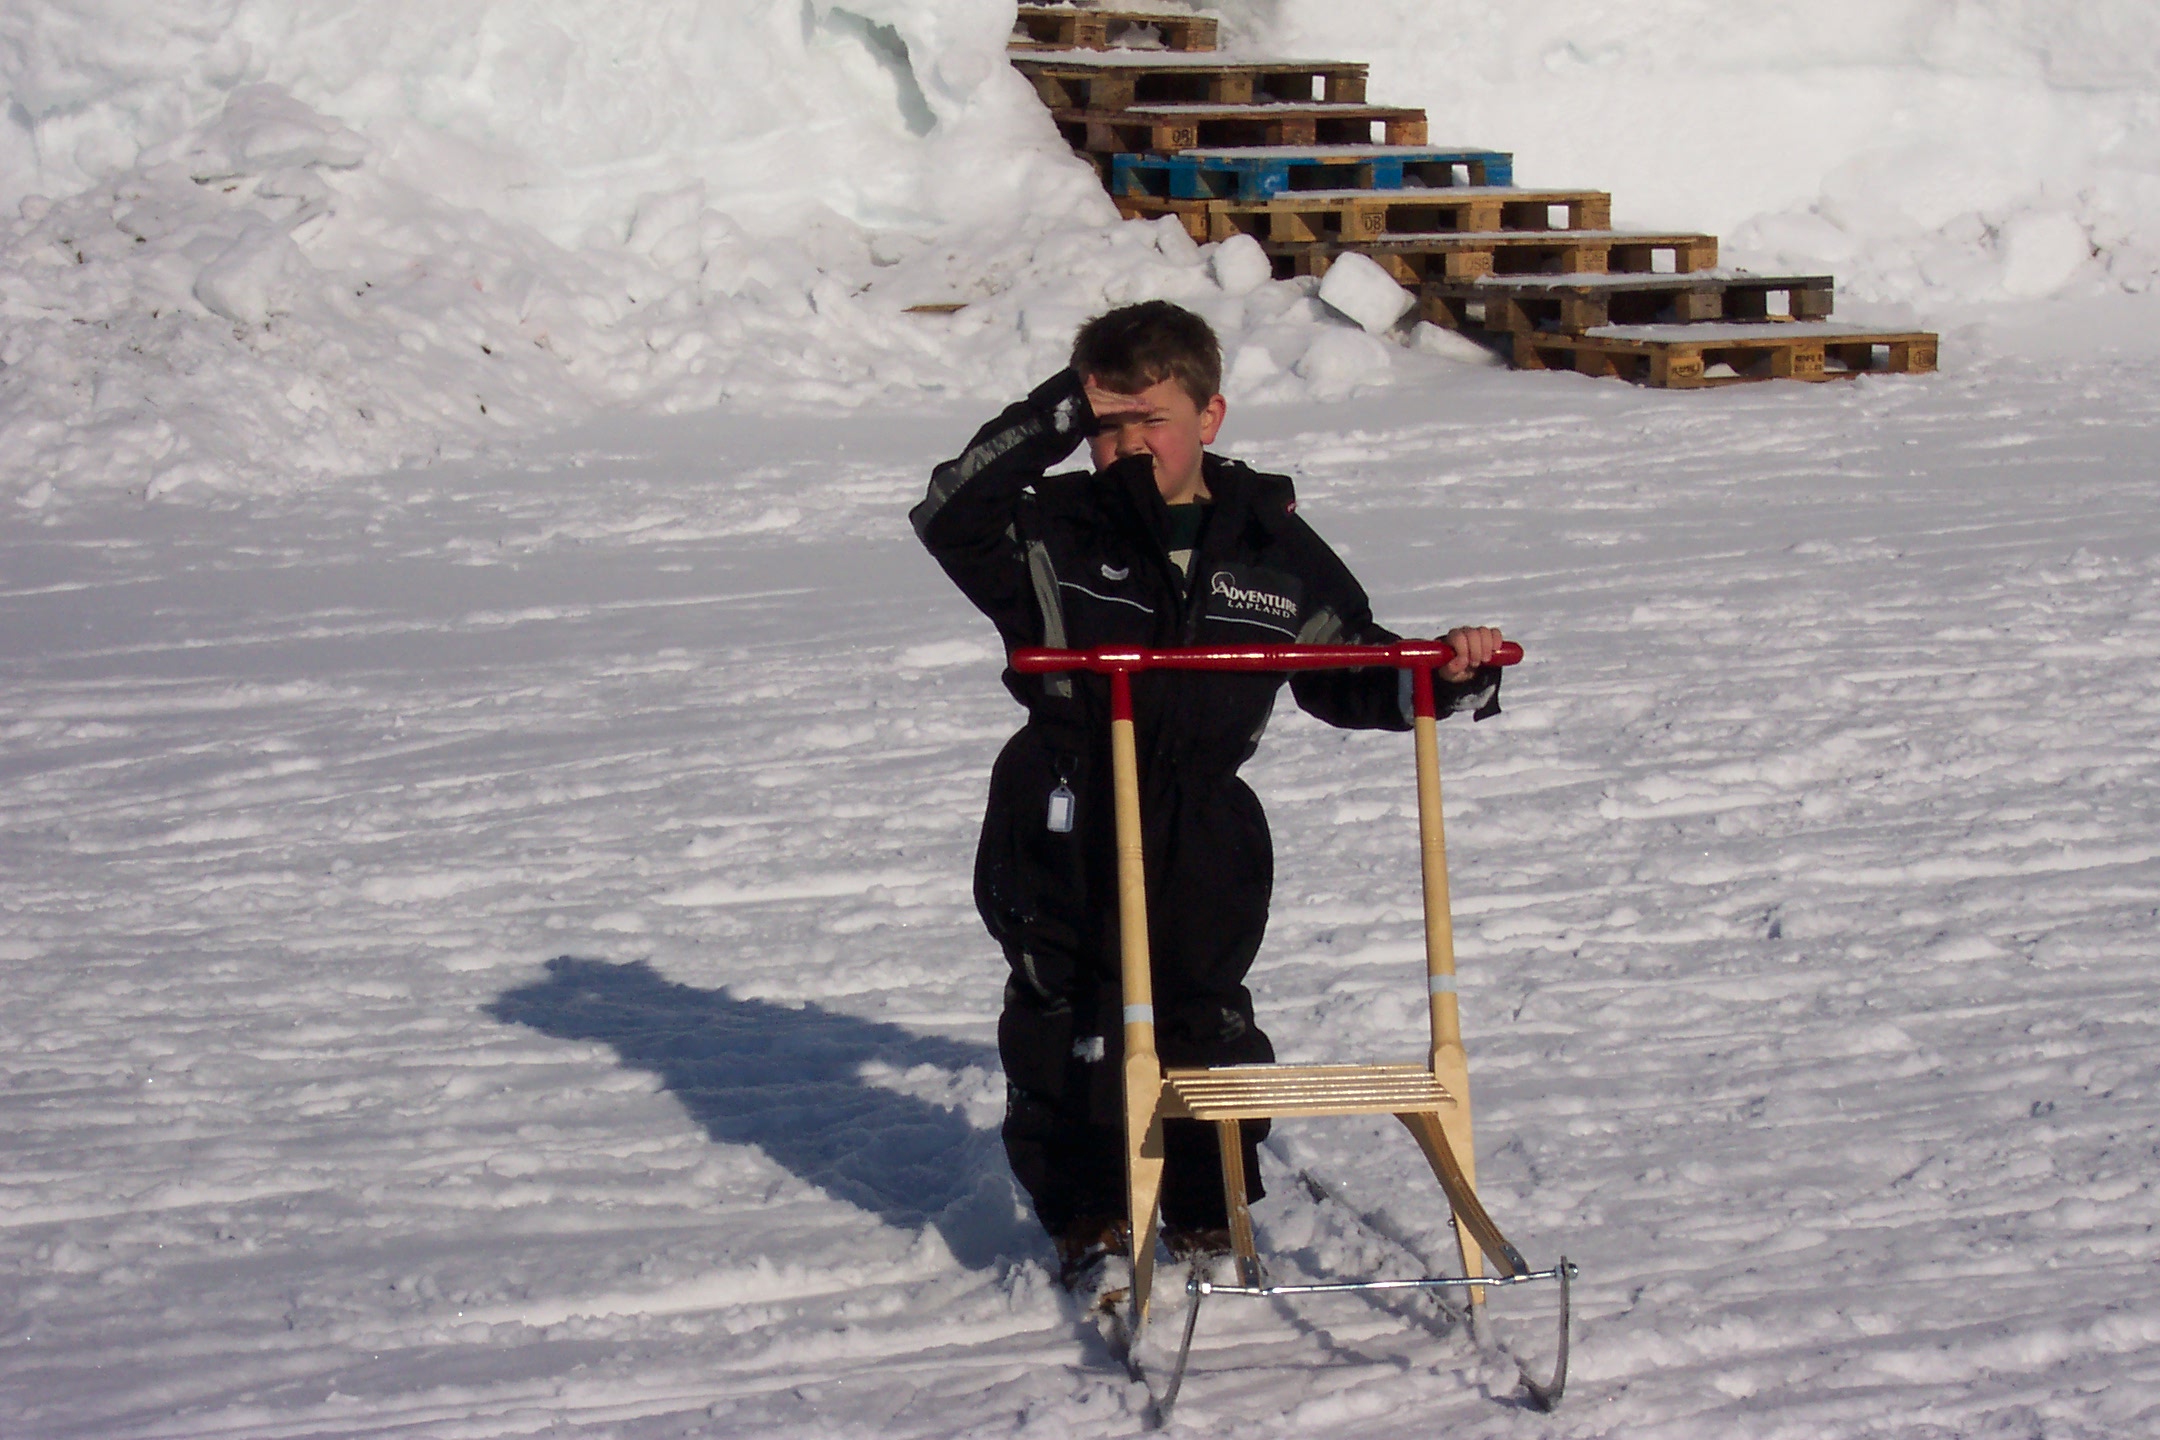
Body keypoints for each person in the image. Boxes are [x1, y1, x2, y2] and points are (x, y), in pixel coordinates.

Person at [910, 300, 1507, 1284]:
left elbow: (1351, 663)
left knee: (1201, 1012)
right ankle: (1089, 1216)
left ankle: (1202, 1204)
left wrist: (1446, 673)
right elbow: (947, 513)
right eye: (1108, 428)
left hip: (1203, 819)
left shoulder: (1263, 543)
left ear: (1209, 419)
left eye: (1150, 420)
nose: (1126, 446)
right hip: (1064, 802)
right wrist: (1064, 412)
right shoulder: (1051, 530)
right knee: (1068, 1010)